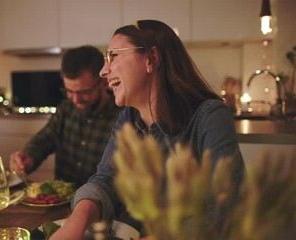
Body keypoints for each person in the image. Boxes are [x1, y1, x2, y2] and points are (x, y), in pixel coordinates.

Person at [50, 20, 245, 239]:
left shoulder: (210, 115)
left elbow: (225, 205)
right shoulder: (128, 118)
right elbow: (107, 178)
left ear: (151, 59)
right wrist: (75, 222)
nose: (104, 71)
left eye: (113, 56)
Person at [9, 45, 123, 188]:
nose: (75, 100)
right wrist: (28, 158)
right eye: (69, 91)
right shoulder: (66, 108)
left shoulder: (123, 116)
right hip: (62, 202)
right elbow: (45, 139)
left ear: (104, 82)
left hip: (102, 206)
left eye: (84, 92)